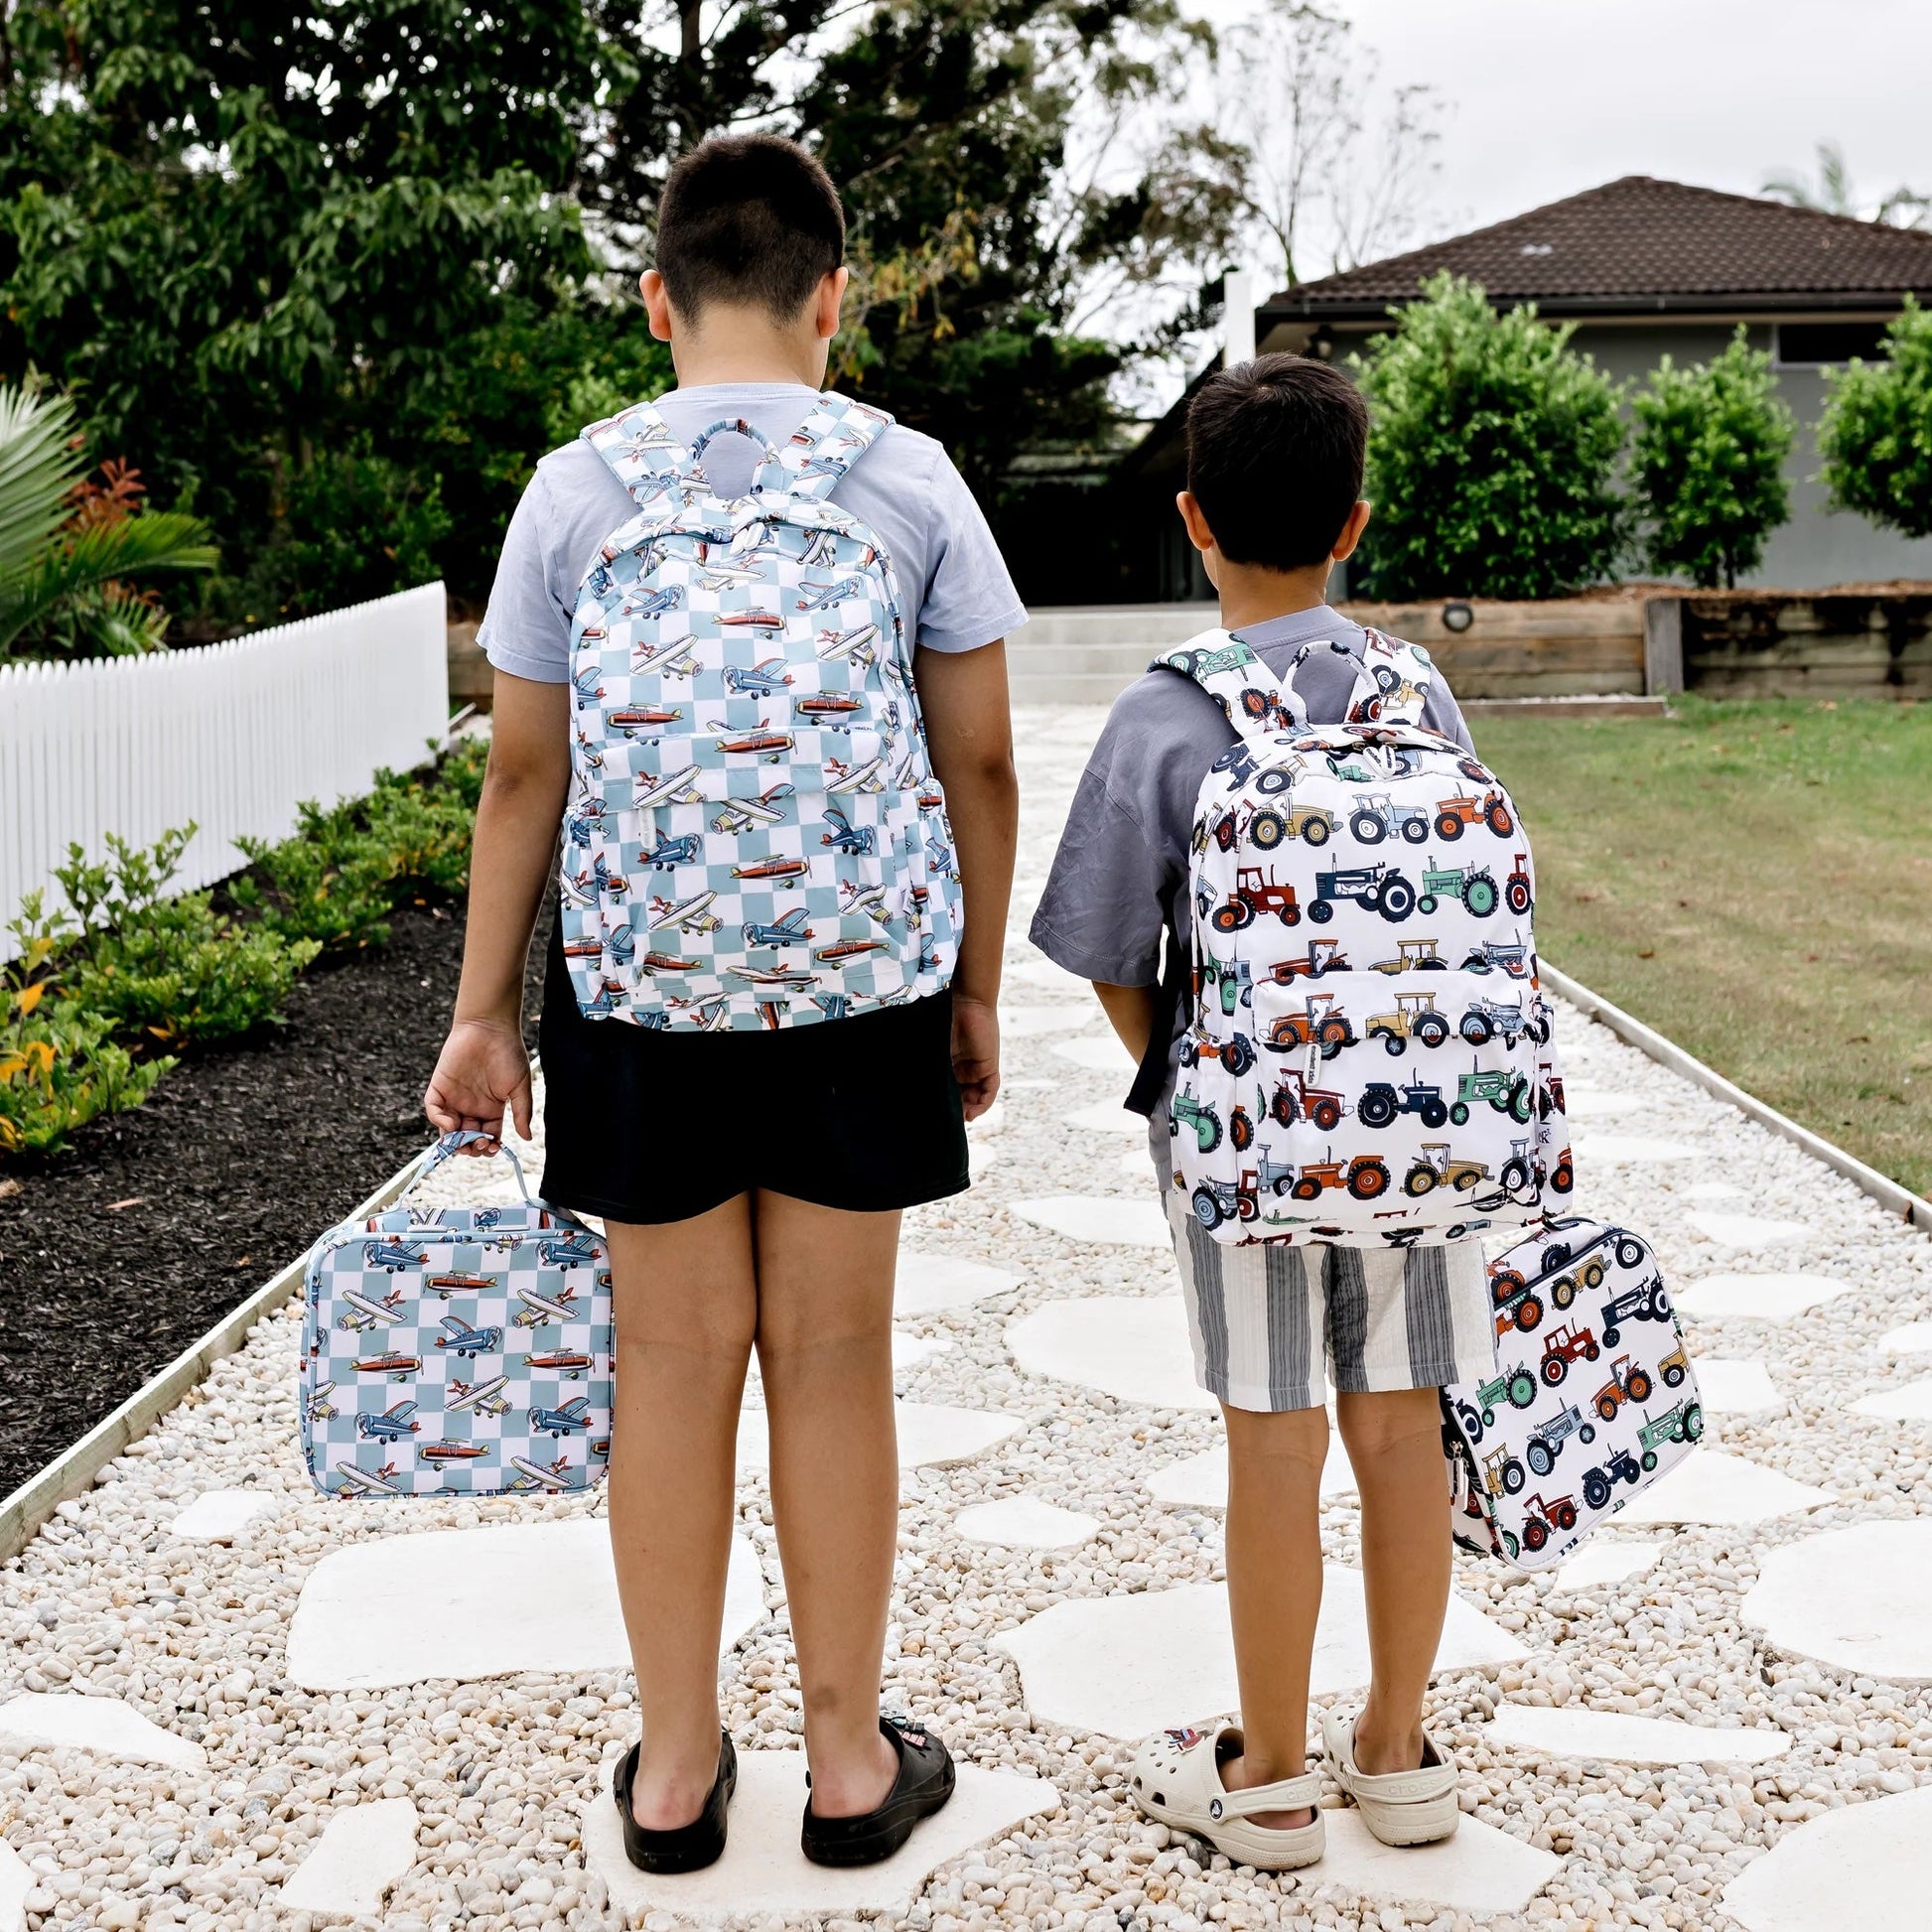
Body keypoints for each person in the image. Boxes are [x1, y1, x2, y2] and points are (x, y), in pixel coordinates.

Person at [424, 132, 1022, 1872]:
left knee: (673, 1369)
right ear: (834, 297)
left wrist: (484, 1017)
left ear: (655, 299)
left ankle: (677, 1772)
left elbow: (522, 776)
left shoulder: (576, 490)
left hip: (641, 992)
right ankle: (849, 1765)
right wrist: (967, 983)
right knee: (834, 1360)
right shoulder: (907, 480)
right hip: (860, 995)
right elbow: (974, 756)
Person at [1029, 353, 1493, 1870]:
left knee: (1272, 1443)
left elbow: (1105, 944)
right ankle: (1401, 1752)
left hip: (1244, 1149)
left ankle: (1273, 1772)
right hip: (1421, 1137)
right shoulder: (1417, 689)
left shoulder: (1166, 718)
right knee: (1404, 1426)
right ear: (1354, 522)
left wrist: (1180, 1071)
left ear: (1190, 520)